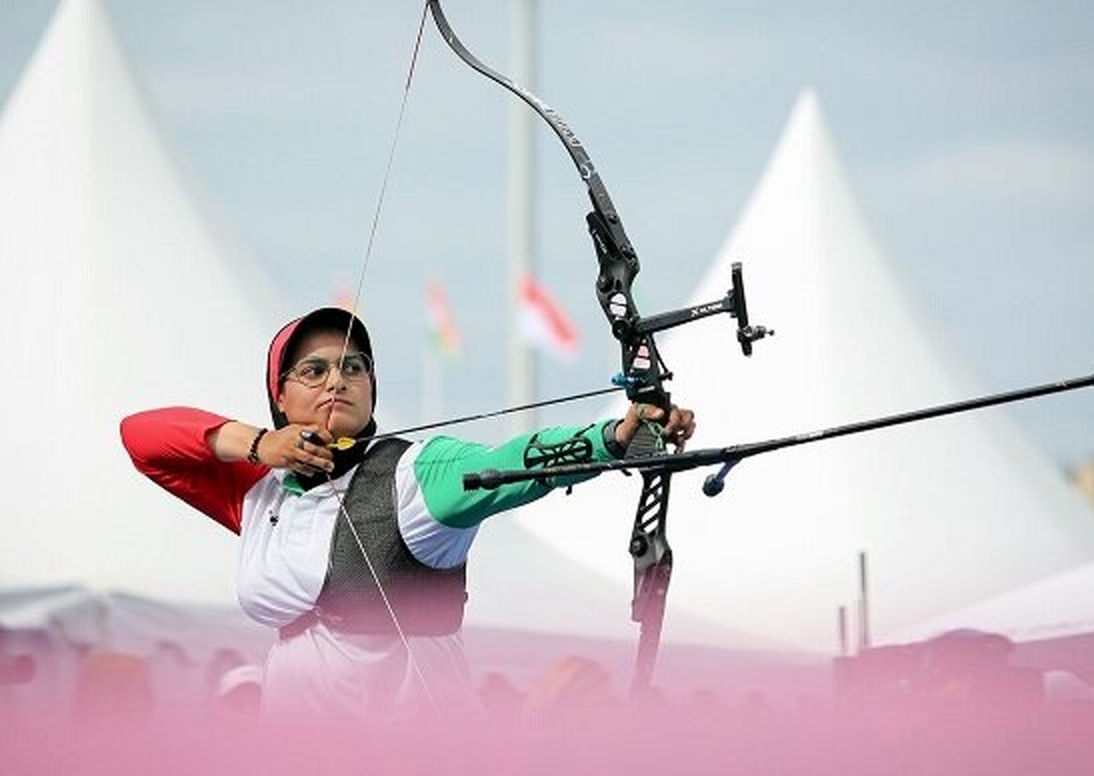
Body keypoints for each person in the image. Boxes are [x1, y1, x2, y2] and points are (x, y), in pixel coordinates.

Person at [120, 307, 694, 720]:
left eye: (353, 366)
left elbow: (511, 463)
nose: (337, 380)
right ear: (280, 397)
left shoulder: (417, 471)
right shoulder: (260, 488)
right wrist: (258, 444)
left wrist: (616, 436)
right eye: (313, 371)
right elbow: (141, 437)